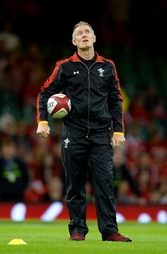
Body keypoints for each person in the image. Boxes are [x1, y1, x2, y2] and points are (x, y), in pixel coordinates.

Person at [36, 21, 131, 242]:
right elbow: (44, 92)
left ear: (95, 38)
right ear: (74, 41)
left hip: (100, 134)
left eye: (88, 31)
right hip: (74, 133)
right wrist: (43, 121)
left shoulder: (108, 66)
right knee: (75, 184)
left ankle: (109, 231)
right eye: (79, 33)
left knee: (105, 183)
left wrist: (118, 130)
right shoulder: (64, 66)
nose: (84, 35)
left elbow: (116, 100)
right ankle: (77, 230)